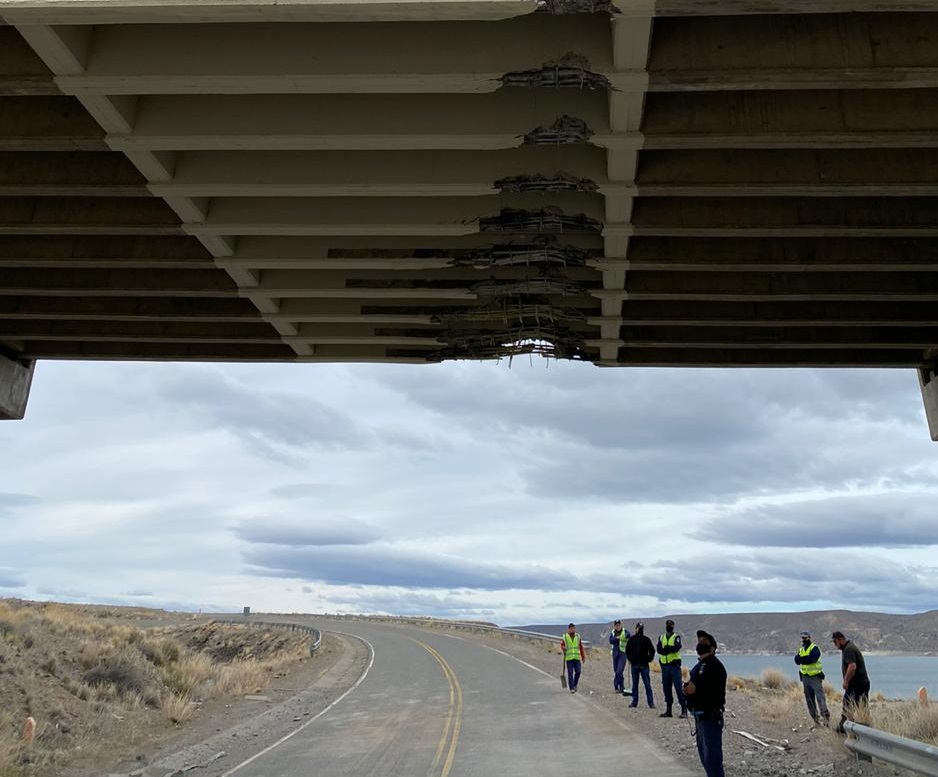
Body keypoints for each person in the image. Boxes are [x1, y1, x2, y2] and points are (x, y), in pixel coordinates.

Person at [684, 630, 726, 777]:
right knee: (705, 758)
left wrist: (694, 689)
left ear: (712, 648)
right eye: (699, 641)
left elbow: (713, 691)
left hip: (710, 718)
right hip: (699, 717)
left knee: (713, 760)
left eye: (704, 642)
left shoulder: (714, 666)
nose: (700, 643)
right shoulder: (699, 665)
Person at [832, 631, 870, 732]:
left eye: (835, 642)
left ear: (840, 639)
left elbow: (852, 666)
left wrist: (846, 681)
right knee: (853, 704)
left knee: (853, 705)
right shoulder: (848, 647)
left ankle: (847, 727)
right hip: (860, 683)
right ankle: (845, 727)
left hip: (857, 684)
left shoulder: (849, 649)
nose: (835, 645)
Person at [793, 630, 829, 725]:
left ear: (809, 638)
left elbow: (812, 659)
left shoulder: (815, 648)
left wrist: (802, 659)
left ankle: (825, 718)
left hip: (815, 677)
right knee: (809, 699)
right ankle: (815, 719)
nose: (803, 640)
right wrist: (804, 659)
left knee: (820, 698)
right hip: (805, 677)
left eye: (805, 638)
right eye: (802, 638)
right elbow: (797, 661)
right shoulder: (801, 649)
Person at [657, 618, 688, 718]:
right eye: (667, 625)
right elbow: (659, 649)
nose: (668, 626)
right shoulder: (661, 637)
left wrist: (666, 649)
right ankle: (668, 710)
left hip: (674, 666)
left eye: (670, 625)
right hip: (665, 666)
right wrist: (666, 650)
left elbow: (677, 647)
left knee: (678, 688)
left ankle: (684, 710)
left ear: (673, 626)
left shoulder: (676, 636)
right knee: (666, 689)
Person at [625, 621, 655, 708]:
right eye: (638, 628)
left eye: (641, 628)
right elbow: (627, 650)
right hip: (634, 665)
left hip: (644, 665)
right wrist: (631, 659)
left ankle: (651, 703)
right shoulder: (632, 639)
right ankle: (634, 702)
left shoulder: (646, 639)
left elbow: (652, 651)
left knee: (647, 684)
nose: (639, 629)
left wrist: (648, 659)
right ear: (636, 628)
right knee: (635, 685)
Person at [560, 623, 585, 694]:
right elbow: (562, 645)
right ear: (569, 629)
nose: (573, 630)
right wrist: (563, 648)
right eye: (571, 629)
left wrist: (583, 656)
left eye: (573, 628)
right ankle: (571, 688)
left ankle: (575, 684)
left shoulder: (578, 636)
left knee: (578, 671)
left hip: (577, 657)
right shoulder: (565, 636)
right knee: (570, 673)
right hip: (569, 658)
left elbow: (580, 647)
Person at [608, 619, 630, 695]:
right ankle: (622, 687)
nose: (618, 626)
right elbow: (610, 640)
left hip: (623, 653)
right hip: (615, 654)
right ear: (614, 626)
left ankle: (616, 685)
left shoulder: (625, 631)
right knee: (616, 671)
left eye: (619, 625)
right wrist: (617, 638)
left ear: (621, 625)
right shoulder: (613, 633)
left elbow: (628, 635)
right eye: (616, 625)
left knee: (619, 671)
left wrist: (622, 637)